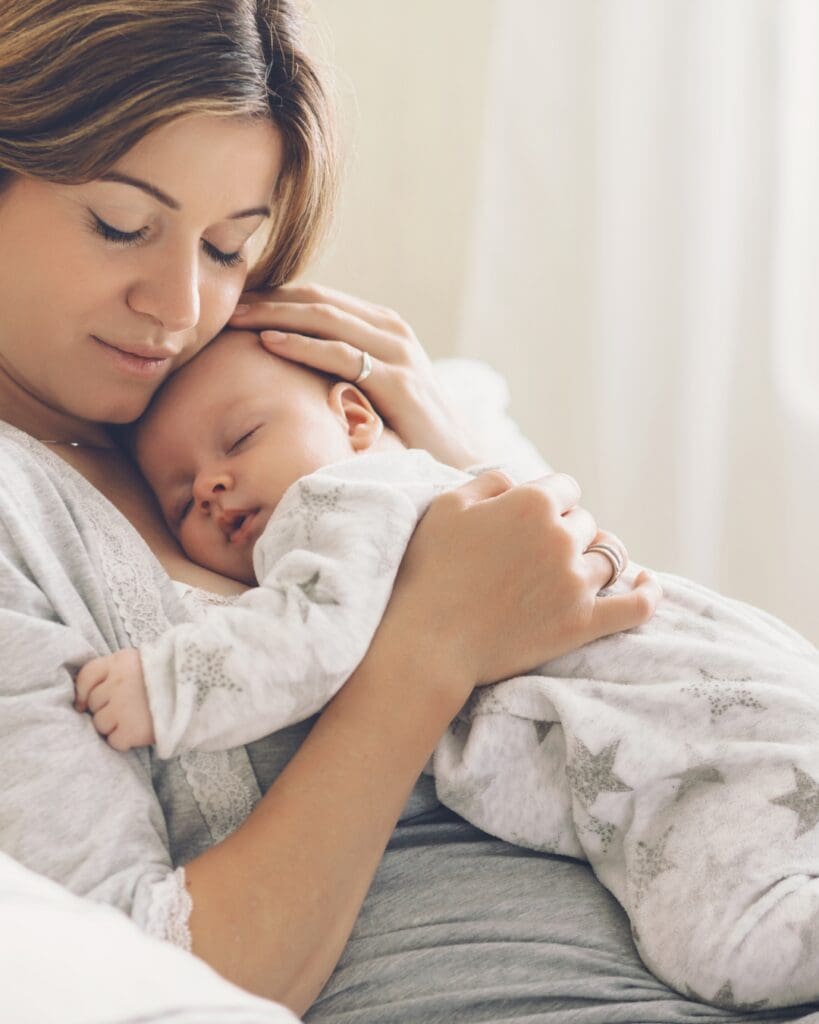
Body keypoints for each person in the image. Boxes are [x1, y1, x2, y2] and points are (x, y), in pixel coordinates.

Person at [1, 2, 815, 1022]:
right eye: (122, 226)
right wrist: (430, 642)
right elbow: (137, 977)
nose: (179, 308)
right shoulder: (22, 515)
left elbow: (626, 667)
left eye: (227, 247)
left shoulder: (267, 385)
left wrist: (448, 454)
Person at [74, 329, 819, 1010]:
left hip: (679, 727)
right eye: (180, 499)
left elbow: (305, 639)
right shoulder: (437, 495)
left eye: (240, 439)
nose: (211, 485)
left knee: (728, 945)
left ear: (355, 419)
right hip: (722, 706)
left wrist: (167, 686)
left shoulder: (339, 503)